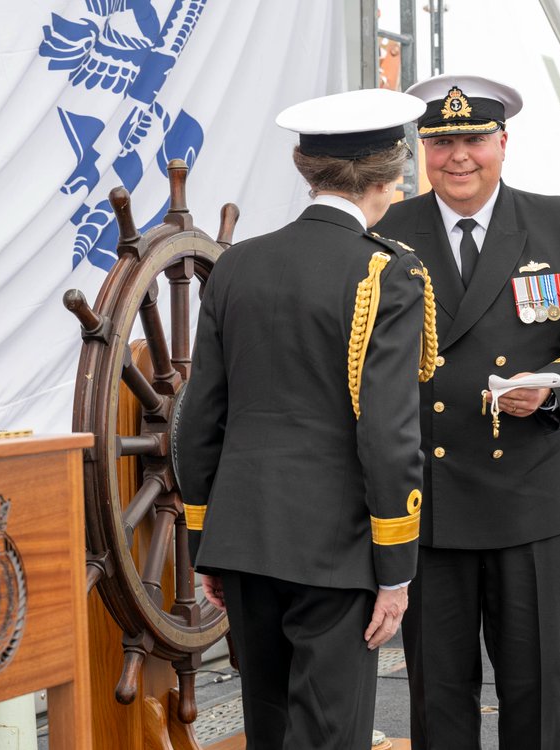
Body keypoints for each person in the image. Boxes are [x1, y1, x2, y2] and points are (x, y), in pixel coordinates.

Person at [373, 74, 560, 749]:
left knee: (536, 692)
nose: (458, 156)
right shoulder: (386, 235)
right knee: (438, 697)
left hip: (534, 493)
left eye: (473, 140)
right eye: (440, 142)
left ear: (503, 142)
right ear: (419, 150)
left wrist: (553, 383)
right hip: (431, 502)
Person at [175, 87, 437, 749]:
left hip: (244, 537)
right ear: (392, 173)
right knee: (330, 734)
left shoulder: (239, 264)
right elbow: (388, 432)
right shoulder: (388, 273)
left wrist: (206, 541)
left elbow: (200, 415)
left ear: (304, 165)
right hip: (336, 546)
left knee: (270, 726)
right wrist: (396, 568)